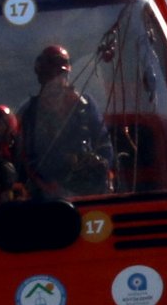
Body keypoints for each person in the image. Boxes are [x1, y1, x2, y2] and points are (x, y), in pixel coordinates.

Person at [16, 45, 114, 198]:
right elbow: (24, 155)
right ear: (42, 78)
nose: (57, 80)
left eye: (61, 74)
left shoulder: (84, 104)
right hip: (44, 192)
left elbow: (104, 143)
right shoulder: (28, 111)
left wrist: (102, 170)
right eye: (51, 75)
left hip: (86, 186)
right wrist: (47, 184)